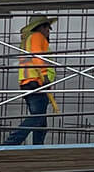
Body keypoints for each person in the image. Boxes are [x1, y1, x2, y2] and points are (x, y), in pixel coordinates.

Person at [7, 14, 57, 145]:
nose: (48, 31)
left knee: (41, 122)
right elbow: (38, 57)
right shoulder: (37, 37)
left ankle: (38, 147)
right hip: (36, 82)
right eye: (47, 27)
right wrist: (45, 75)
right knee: (37, 117)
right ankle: (11, 143)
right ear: (40, 27)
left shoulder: (28, 40)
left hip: (29, 82)